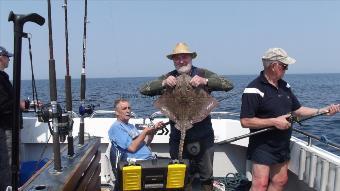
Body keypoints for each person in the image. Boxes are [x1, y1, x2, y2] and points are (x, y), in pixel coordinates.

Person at [240, 47, 340, 191]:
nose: (286, 70)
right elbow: (245, 121)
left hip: (282, 143)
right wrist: (274, 122)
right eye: (285, 66)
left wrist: (322, 111)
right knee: (260, 185)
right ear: (274, 66)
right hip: (262, 146)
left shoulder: (285, 86)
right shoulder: (253, 89)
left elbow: (297, 110)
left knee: (280, 181)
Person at [139, 42, 234, 191]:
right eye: (177, 58)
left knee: (207, 176)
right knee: (181, 175)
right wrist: (164, 83)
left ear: (191, 58)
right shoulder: (169, 76)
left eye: (184, 57)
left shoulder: (202, 73)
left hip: (203, 136)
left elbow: (228, 84)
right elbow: (143, 89)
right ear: (173, 61)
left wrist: (205, 81)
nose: (181, 61)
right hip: (178, 136)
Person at [0, 46, 31, 190]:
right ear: (1, 58)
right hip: (6, 129)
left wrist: (23, 103)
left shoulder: (3, 77)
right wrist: (19, 104)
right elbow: (3, 104)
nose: (9, 59)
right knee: (9, 166)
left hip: (10, 128)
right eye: (7, 57)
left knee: (15, 164)